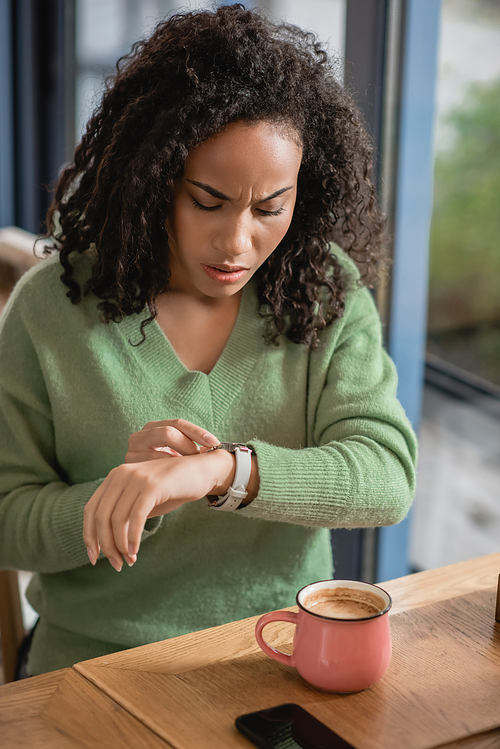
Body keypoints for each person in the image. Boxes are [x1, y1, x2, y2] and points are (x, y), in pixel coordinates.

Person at [0, 4, 417, 677]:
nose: (236, 241)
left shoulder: (324, 292)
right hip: (93, 669)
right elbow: (5, 515)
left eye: (268, 207)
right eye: (207, 200)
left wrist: (223, 471)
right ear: (156, 177)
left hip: (278, 661)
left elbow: (387, 478)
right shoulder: (52, 308)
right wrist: (123, 498)